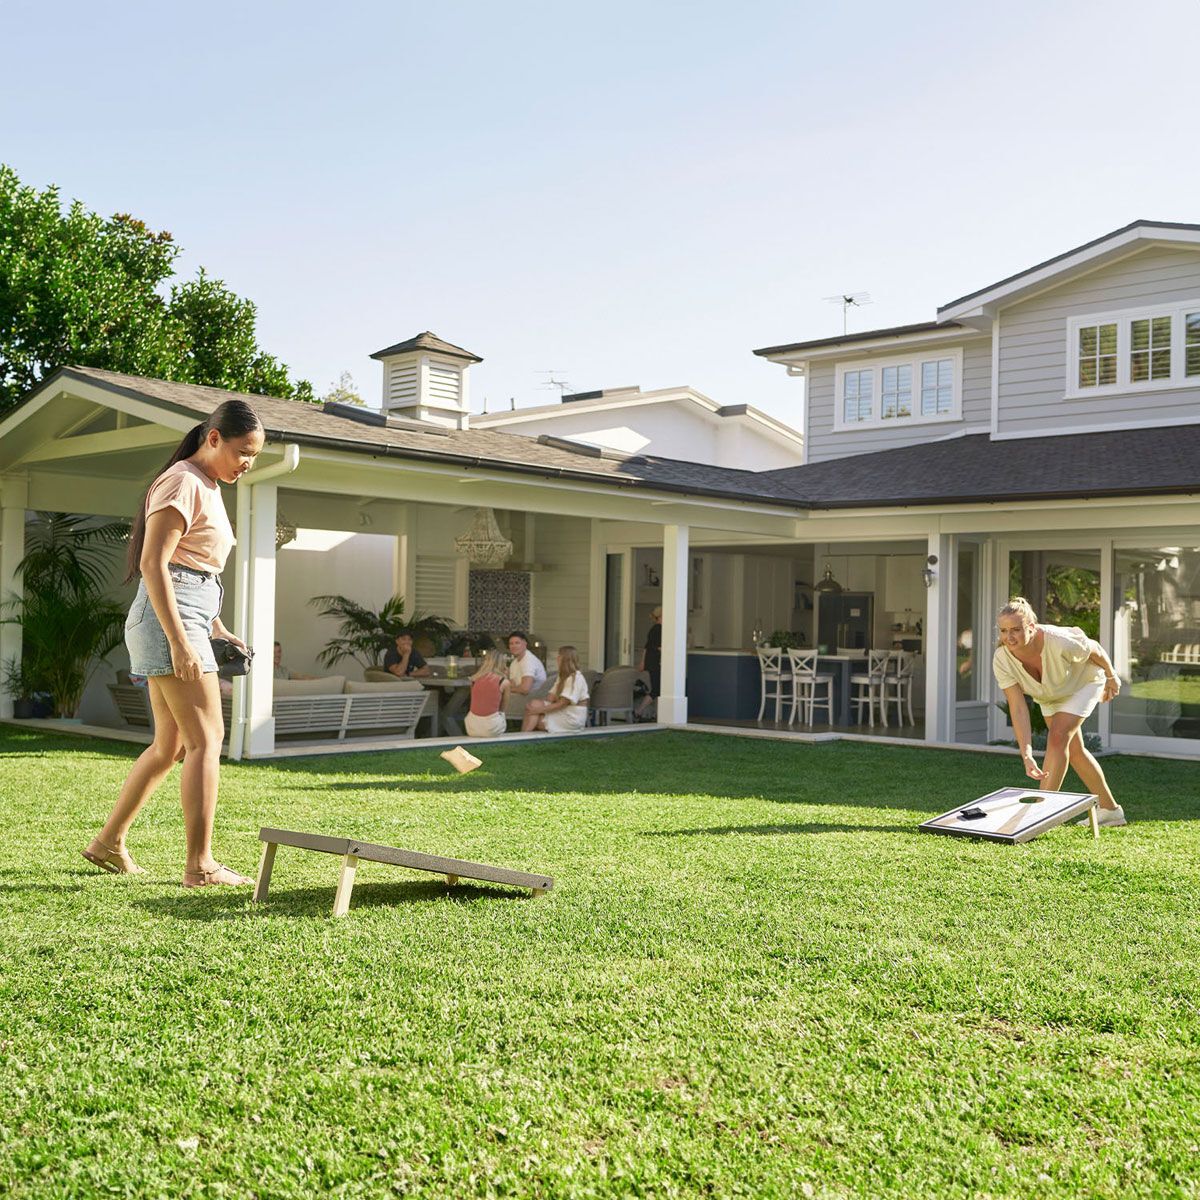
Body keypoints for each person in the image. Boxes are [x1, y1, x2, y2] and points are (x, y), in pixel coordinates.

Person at [82, 401, 265, 885]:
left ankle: (108, 842)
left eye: (255, 457)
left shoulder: (205, 485)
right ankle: (200, 866)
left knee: (172, 745)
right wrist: (182, 641)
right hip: (169, 622)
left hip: (185, 617)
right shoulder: (183, 481)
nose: (247, 463)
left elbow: (194, 570)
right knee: (207, 740)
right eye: (243, 452)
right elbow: (153, 564)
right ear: (214, 439)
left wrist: (216, 627)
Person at [993, 596, 1126, 826]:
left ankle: (1038, 816)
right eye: (1004, 631)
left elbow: (1093, 648)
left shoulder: (1058, 640)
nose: (1009, 637)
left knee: (1057, 737)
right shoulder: (1002, 659)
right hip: (1050, 695)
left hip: (1083, 683)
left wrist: (1111, 676)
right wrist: (1026, 754)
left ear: (1031, 627)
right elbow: (1018, 707)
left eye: (1015, 629)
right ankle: (1110, 810)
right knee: (1074, 751)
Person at [523, 646, 589, 733]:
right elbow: (550, 697)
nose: (557, 658)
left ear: (564, 659)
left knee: (536, 718)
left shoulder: (575, 678)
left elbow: (562, 703)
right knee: (534, 704)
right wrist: (536, 709)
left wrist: (536, 711)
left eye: (559, 656)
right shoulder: (562, 676)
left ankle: (522, 737)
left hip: (572, 717)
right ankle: (522, 735)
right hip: (563, 711)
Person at [465, 649, 510, 738]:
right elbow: (503, 708)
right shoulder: (503, 682)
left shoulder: (474, 680)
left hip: (471, 726)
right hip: (491, 727)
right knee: (501, 714)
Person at [635, 605, 662, 720]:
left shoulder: (654, 628)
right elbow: (659, 647)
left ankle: (656, 714)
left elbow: (646, 647)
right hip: (655, 662)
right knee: (656, 690)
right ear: (660, 616)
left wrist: (643, 662)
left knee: (659, 689)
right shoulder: (658, 629)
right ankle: (639, 711)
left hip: (651, 662)